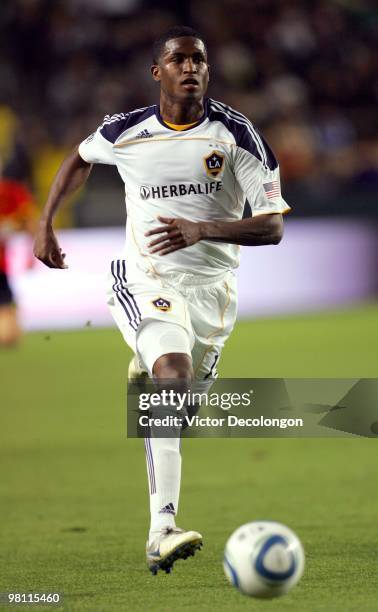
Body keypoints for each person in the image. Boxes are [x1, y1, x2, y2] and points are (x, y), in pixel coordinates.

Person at [33, 25, 290, 574]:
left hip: (214, 294)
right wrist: (46, 222)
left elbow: (271, 229)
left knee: (181, 410)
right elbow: (80, 159)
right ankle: (162, 530)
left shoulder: (236, 135)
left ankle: (145, 369)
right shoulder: (125, 130)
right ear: (158, 72)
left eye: (199, 60)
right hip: (145, 278)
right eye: (179, 60)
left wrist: (203, 230)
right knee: (171, 379)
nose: (190, 68)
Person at [0, 169, 36, 347]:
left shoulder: (10, 191)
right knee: (6, 303)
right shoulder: (10, 192)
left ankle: (10, 332)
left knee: (7, 300)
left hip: (2, 264)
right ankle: (8, 333)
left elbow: (27, 220)